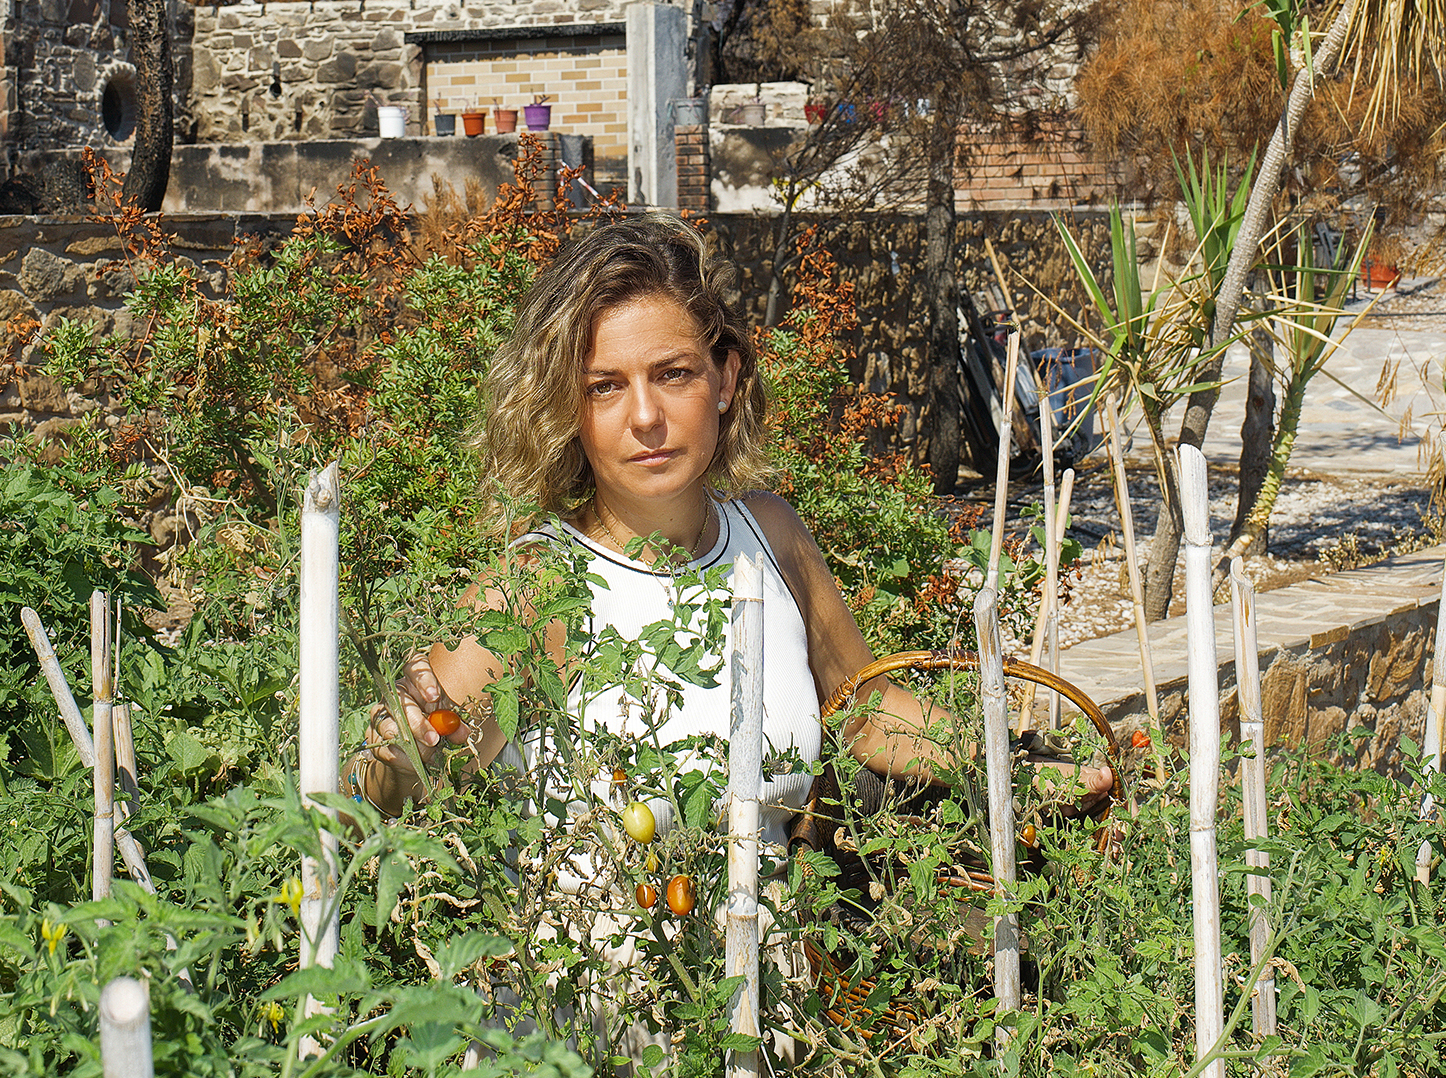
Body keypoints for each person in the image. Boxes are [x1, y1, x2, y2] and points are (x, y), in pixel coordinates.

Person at [356, 217, 1113, 825]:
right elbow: (407, 788)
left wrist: (1018, 761)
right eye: (605, 387)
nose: (646, 417)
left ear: (725, 378)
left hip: (777, 992)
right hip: (595, 1005)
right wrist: (401, 757)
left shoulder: (769, 538)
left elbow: (864, 710)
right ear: (568, 411)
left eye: (673, 374)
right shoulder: (537, 586)